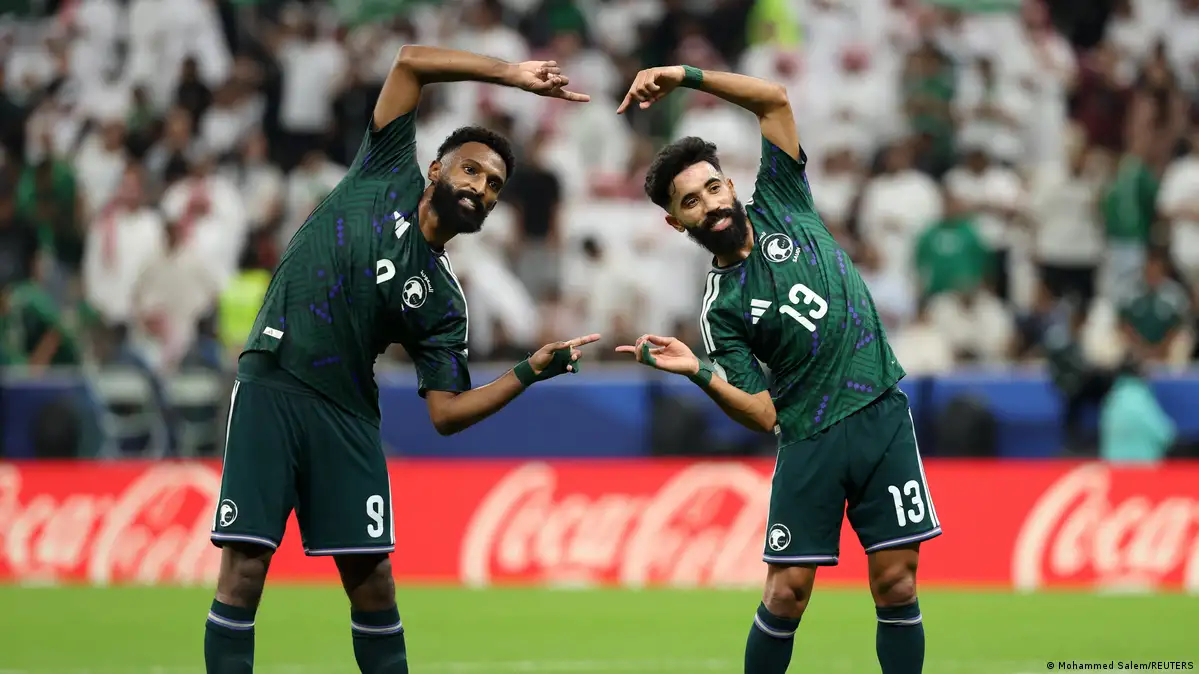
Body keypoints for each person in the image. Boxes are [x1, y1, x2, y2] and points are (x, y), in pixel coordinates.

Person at [204, 45, 595, 674]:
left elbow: (446, 413)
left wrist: (528, 371)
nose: (480, 188)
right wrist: (512, 75)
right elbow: (411, 62)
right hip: (274, 380)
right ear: (437, 169)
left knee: (374, 584)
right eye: (471, 171)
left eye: (493, 186)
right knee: (245, 568)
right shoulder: (385, 170)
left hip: (348, 413)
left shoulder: (443, 299)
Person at [614, 65, 939, 674]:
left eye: (712, 188)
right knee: (786, 593)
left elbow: (773, 100)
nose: (710, 204)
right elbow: (762, 413)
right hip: (809, 438)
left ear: (731, 185)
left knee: (897, 582)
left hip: (881, 414)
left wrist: (683, 76)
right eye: (690, 202)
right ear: (676, 222)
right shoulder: (721, 309)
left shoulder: (784, 201)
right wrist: (699, 371)